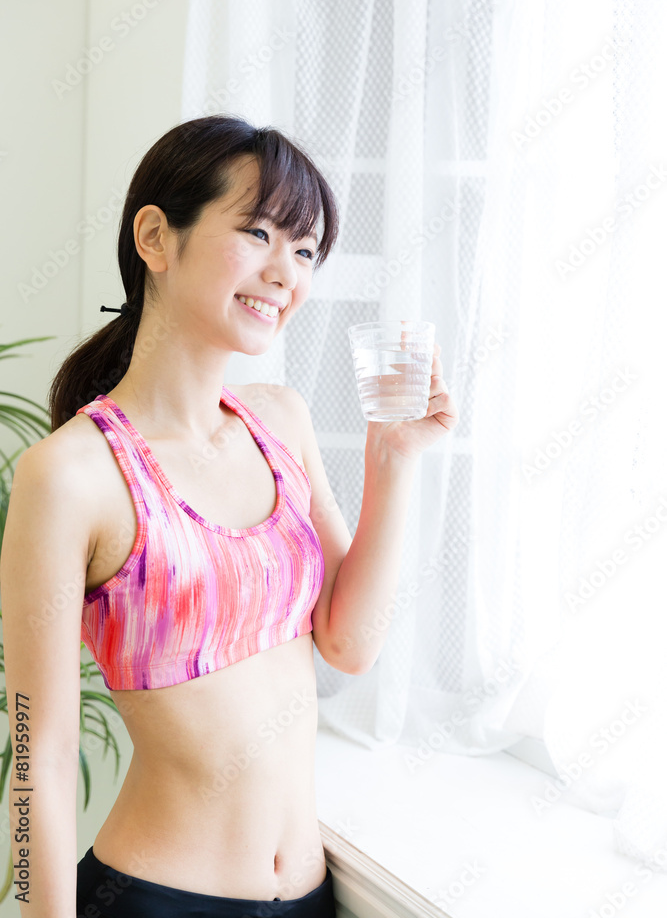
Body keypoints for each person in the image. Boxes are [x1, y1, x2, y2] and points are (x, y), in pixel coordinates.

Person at [0, 114, 458, 918]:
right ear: (155, 236)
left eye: (306, 250)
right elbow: (43, 751)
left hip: (310, 896)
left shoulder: (279, 421)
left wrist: (393, 463)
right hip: (158, 898)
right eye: (257, 232)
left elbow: (347, 643)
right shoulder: (71, 475)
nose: (287, 271)